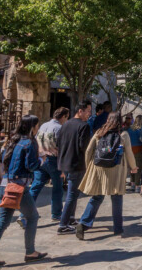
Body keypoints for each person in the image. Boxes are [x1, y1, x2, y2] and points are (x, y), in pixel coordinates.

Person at [0, 115, 47, 268]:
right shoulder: (30, 143)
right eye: (37, 125)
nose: (37, 128)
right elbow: (31, 165)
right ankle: (30, 252)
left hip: (5, 185)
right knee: (32, 217)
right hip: (19, 187)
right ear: (32, 127)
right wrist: (41, 160)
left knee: (3, 222)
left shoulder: (12, 141)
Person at [75, 112, 138, 240]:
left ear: (108, 120)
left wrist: (89, 167)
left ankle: (83, 224)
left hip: (99, 169)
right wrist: (134, 167)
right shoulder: (123, 135)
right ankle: (118, 228)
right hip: (116, 170)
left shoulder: (99, 132)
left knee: (97, 197)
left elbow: (88, 151)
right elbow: (129, 153)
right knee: (117, 198)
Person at [18, 107, 70, 228]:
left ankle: (23, 214)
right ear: (63, 117)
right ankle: (56, 213)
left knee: (35, 187)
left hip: (41, 159)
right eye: (67, 117)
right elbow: (62, 147)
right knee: (57, 188)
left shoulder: (43, 125)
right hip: (53, 159)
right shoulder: (60, 128)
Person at [56, 101, 92, 235]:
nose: (89, 114)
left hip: (64, 162)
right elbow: (84, 147)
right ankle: (63, 224)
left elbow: (58, 142)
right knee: (72, 194)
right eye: (88, 111)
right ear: (80, 111)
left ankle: (70, 218)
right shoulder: (84, 126)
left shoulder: (65, 124)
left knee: (74, 193)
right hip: (76, 163)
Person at [127, 115, 142, 192]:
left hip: (130, 150)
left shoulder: (129, 129)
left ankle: (132, 184)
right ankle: (137, 186)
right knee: (138, 168)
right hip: (139, 149)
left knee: (132, 167)